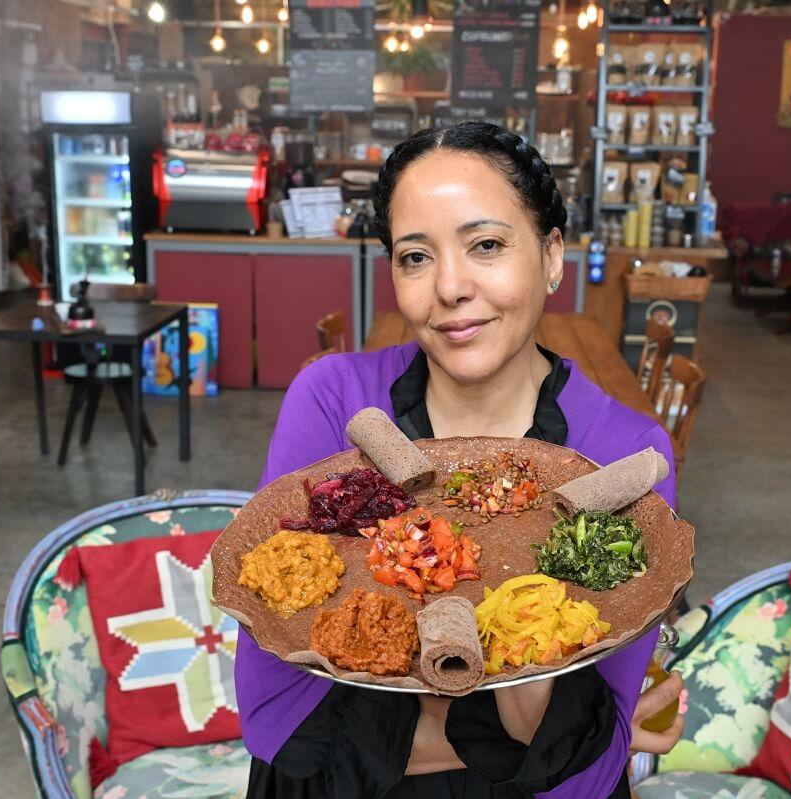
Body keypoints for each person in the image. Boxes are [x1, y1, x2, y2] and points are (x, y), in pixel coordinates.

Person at [238, 121, 685, 799]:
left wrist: (416, 710)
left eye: (486, 244)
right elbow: (277, 728)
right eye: (416, 256)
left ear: (553, 254)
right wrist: (539, 733)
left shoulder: (623, 453)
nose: (449, 287)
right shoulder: (333, 401)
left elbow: (583, 781)